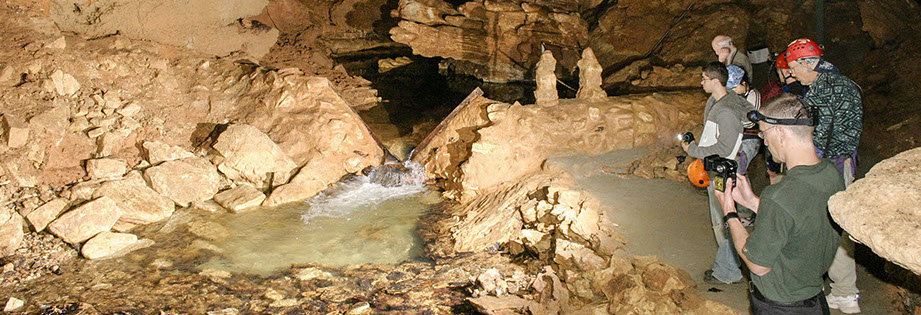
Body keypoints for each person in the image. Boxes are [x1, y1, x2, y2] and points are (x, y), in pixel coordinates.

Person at [714, 93, 843, 314]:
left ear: (781, 133)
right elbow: (799, 220)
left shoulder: (779, 195)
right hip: (814, 300)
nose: (764, 143)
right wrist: (754, 202)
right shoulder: (831, 175)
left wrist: (730, 213)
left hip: (781, 305)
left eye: (764, 134)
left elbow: (757, 265)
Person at [785, 38, 863, 313]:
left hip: (825, 168)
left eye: (794, 67)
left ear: (809, 63)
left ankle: (823, 289)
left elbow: (818, 138)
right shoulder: (847, 85)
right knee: (838, 226)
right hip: (845, 165)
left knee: (817, 227)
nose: (792, 73)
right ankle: (845, 292)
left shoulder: (821, 92)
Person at [681, 62, 754, 285]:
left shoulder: (726, 110)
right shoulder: (721, 102)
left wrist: (693, 150)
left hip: (723, 172)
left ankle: (729, 271)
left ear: (715, 81)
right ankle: (731, 267)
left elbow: (724, 148)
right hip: (720, 169)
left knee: (726, 219)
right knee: (724, 219)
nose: (701, 82)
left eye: (704, 78)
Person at [726, 65, 760, 173]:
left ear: (744, 83)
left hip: (749, 138)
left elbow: (750, 122)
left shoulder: (753, 95)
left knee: (738, 171)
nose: (733, 91)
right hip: (733, 138)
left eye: (735, 87)